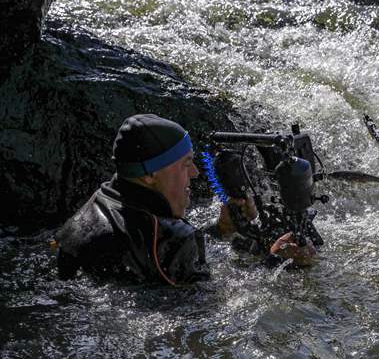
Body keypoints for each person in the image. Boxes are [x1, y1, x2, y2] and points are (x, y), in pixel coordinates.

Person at [54, 113, 315, 286]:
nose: (196, 172)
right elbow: (211, 312)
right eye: (185, 164)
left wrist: (219, 231)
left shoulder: (102, 199)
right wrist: (276, 262)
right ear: (150, 175)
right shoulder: (170, 236)